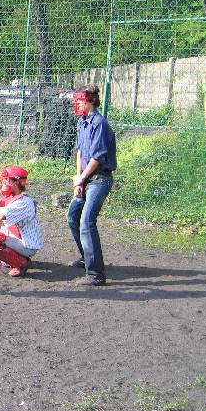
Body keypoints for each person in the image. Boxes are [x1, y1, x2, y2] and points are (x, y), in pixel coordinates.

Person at [67, 84, 117, 286]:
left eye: (79, 100)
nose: (77, 104)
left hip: (100, 179)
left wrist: (83, 178)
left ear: (90, 100)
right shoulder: (82, 122)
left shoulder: (99, 124)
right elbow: (80, 152)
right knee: (72, 216)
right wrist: (79, 179)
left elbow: (96, 158)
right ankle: (86, 257)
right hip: (86, 179)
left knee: (87, 221)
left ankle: (96, 274)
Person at [0, 165, 44, 277]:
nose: (3, 182)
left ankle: (21, 263)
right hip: (16, 235)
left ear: (16, 182)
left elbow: (2, 215)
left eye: (6, 180)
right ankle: (12, 258)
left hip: (27, 244)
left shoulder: (24, 202)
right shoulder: (11, 197)